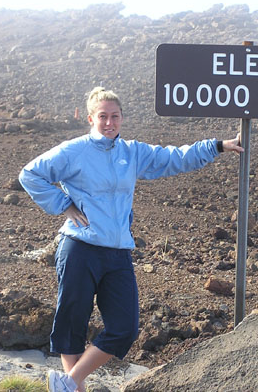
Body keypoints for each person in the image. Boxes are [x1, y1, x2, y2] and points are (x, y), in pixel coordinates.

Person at [18, 87, 244, 392]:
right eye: (103, 117)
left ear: (122, 118)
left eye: (114, 116)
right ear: (91, 118)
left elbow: (174, 157)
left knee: (124, 328)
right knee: (73, 324)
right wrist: (64, 205)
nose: (109, 122)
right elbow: (30, 174)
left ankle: (67, 383)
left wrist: (217, 146)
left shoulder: (132, 152)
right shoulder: (74, 150)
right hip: (80, 248)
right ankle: (72, 388)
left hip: (117, 252)